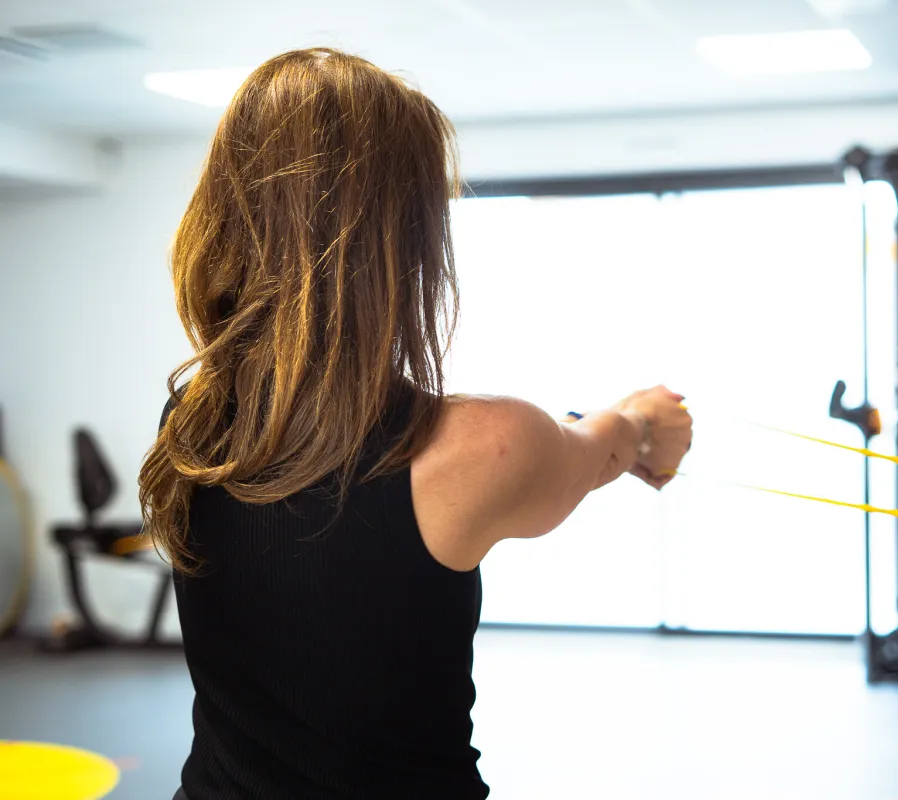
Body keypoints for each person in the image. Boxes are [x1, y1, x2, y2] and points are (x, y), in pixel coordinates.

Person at [138, 48, 693, 800]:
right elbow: (604, 447)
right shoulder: (490, 444)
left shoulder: (193, 420)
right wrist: (643, 419)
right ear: (405, 239)